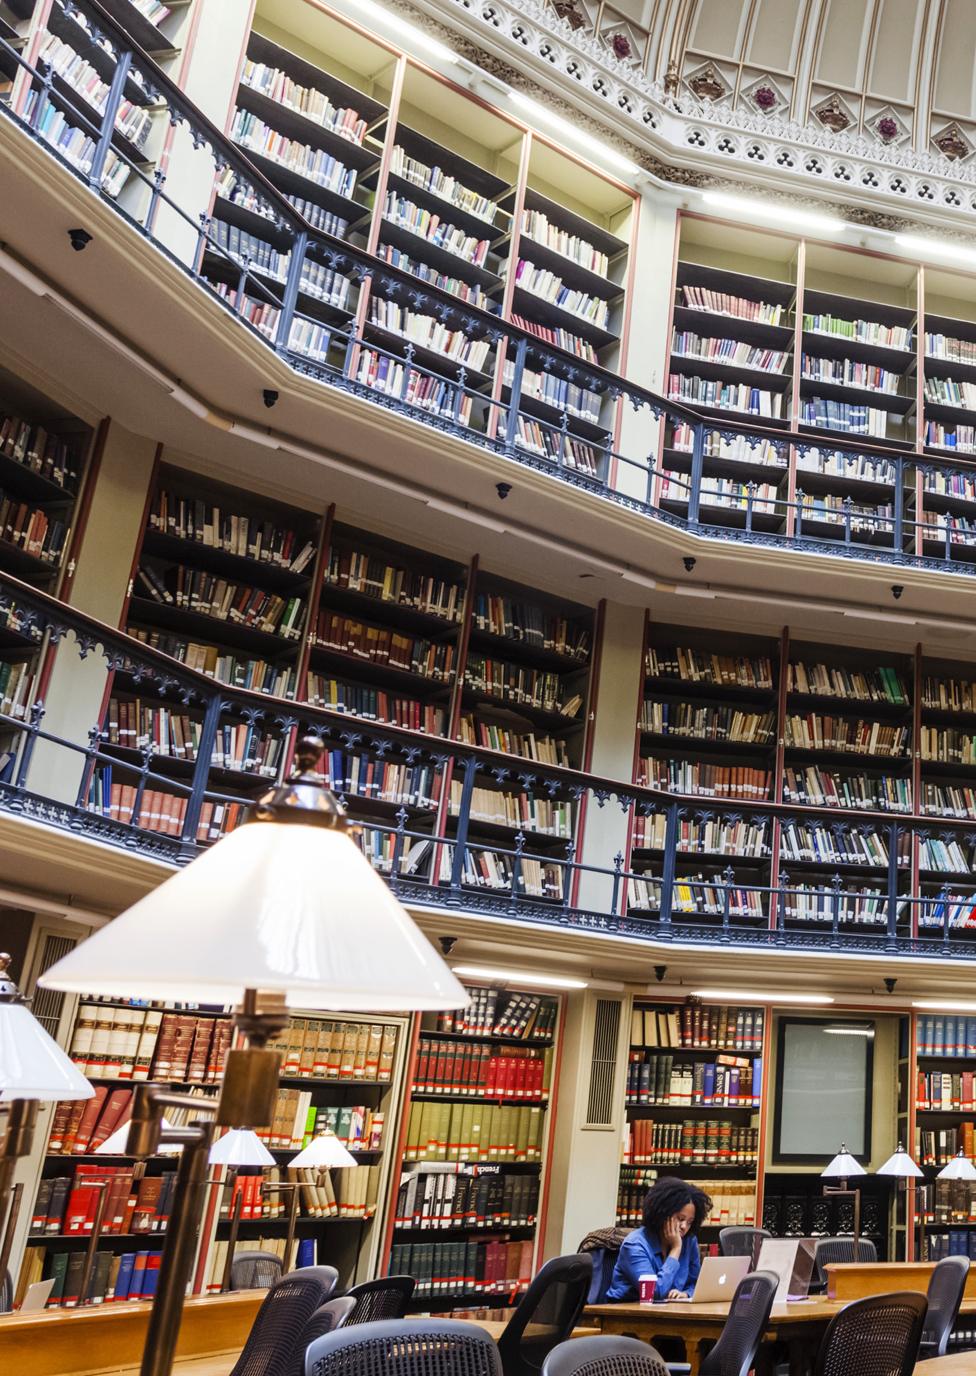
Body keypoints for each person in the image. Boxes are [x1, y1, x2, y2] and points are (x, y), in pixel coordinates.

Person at [606, 1178, 712, 1301]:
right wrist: (676, 1249)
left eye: (690, 1222)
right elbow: (654, 1293)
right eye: (680, 1218)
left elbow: (696, 1283)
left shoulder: (689, 1241)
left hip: (669, 1312)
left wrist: (686, 1294)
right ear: (663, 1213)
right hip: (626, 1313)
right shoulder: (635, 1244)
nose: (684, 1227)